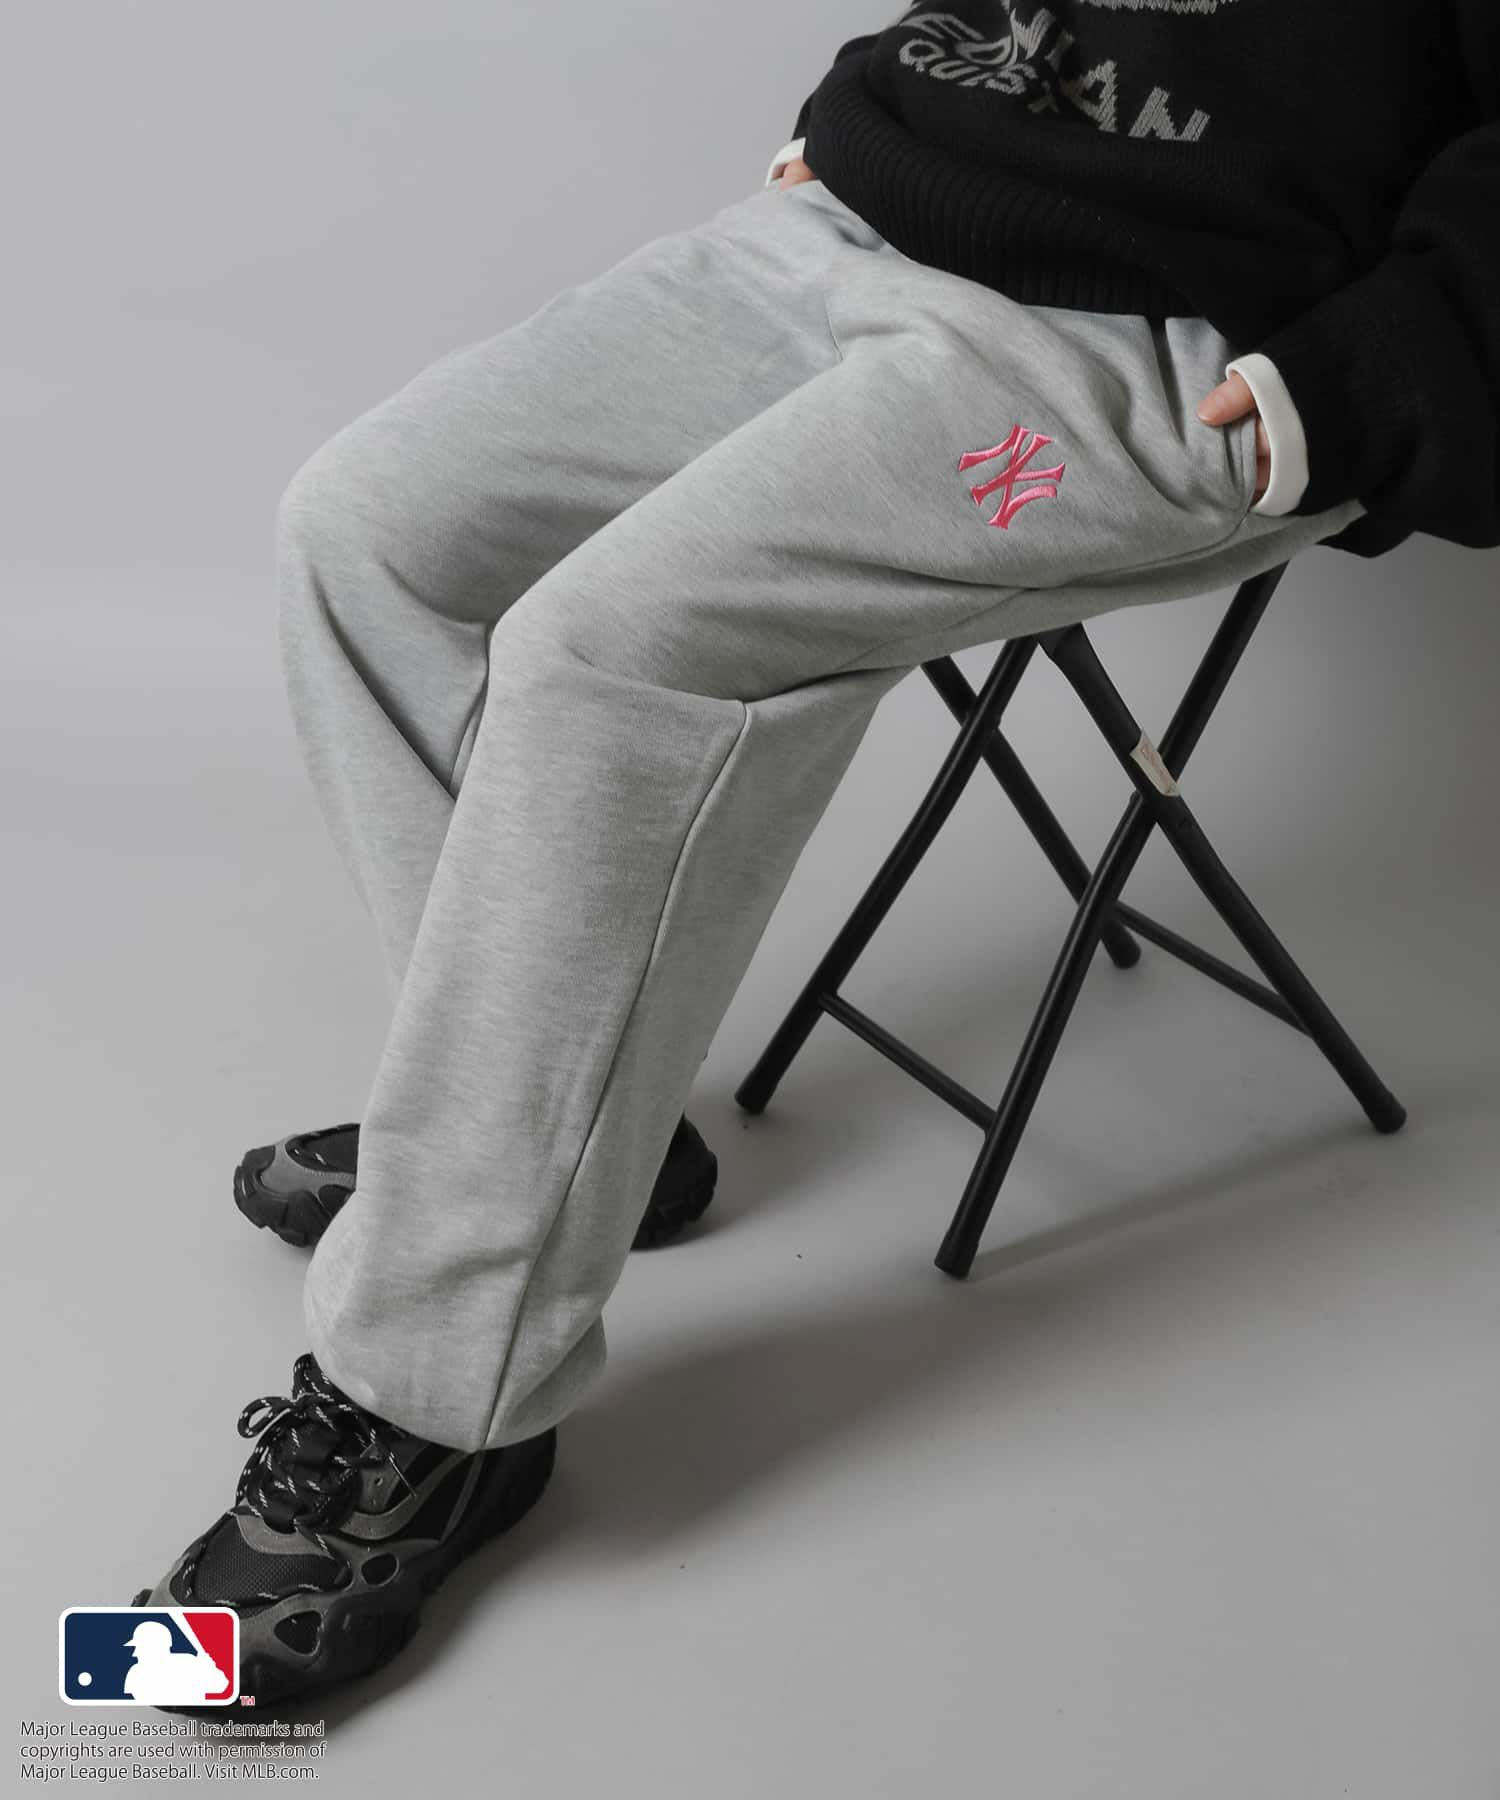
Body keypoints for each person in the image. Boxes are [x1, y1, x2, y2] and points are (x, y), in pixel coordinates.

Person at [132, 0, 1498, 1711]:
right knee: (367, 529)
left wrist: (1378, 378)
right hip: (862, 225)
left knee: (610, 652)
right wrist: (876, 100)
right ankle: (540, 1162)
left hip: (1154, 349)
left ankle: (437, 1393)